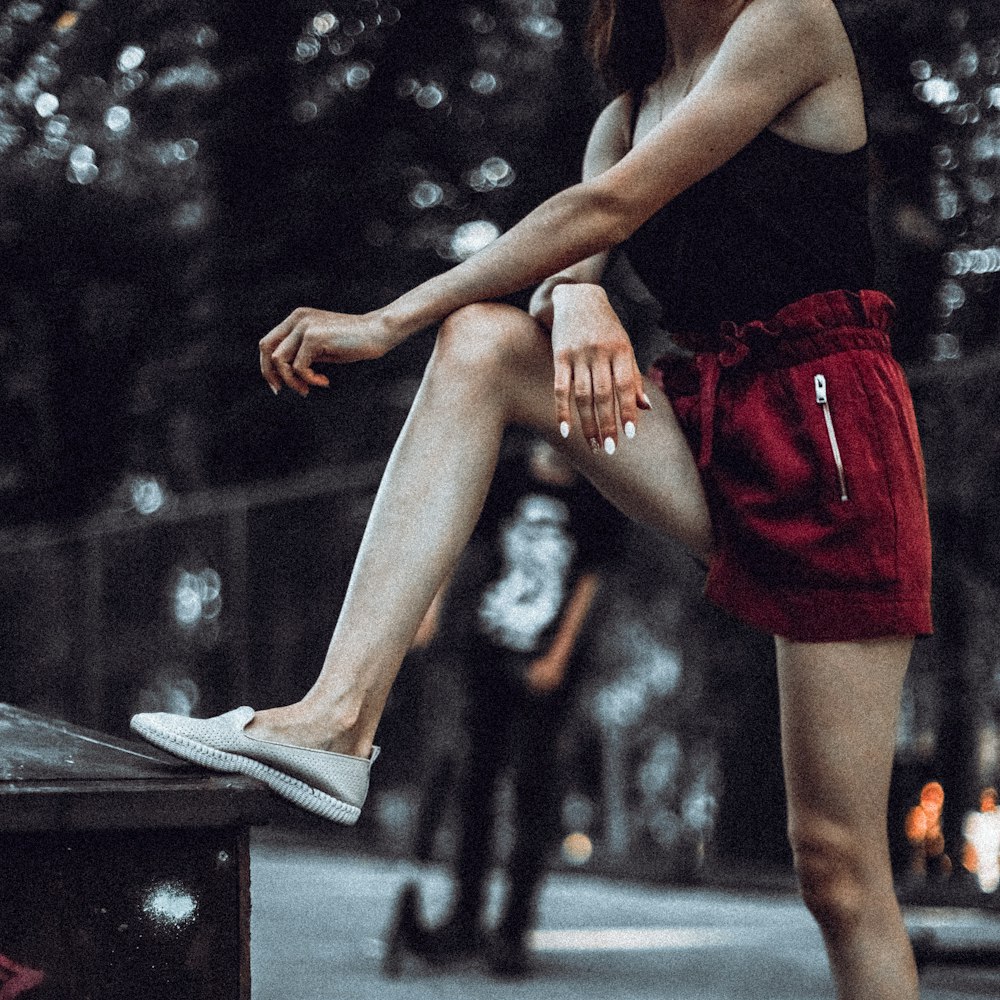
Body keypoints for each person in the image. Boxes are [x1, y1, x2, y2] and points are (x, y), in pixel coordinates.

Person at [131, 1, 933, 996]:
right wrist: (577, 296)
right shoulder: (623, 115)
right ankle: (337, 722)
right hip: (707, 421)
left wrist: (388, 320)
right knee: (480, 346)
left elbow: (600, 215)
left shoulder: (791, 24)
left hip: (826, 436)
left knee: (837, 872)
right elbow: (570, 263)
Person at [382, 433, 617, 979]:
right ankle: (464, 918)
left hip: (545, 661)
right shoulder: (508, 473)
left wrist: (557, 656)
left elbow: (589, 581)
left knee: (534, 787)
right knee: (476, 782)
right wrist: (432, 606)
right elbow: (459, 535)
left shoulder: (600, 489)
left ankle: (512, 928)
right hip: (489, 646)